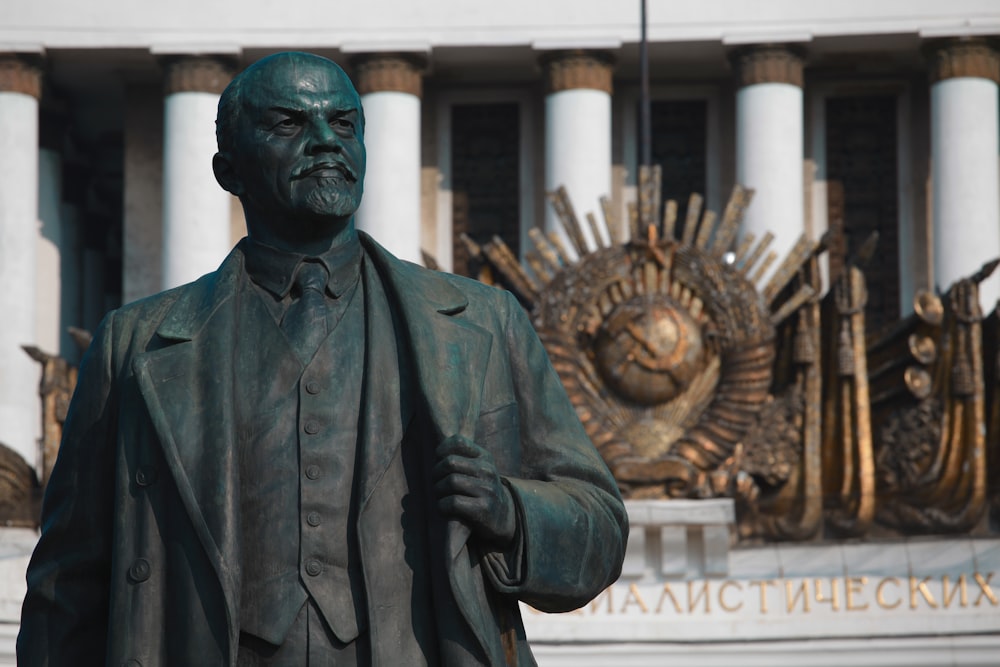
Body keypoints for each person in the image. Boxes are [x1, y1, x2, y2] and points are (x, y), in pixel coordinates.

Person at [17, 51, 627, 666]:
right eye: (288, 124)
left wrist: (510, 511)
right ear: (229, 170)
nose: (324, 142)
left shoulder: (482, 324)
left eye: (343, 124)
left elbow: (599, 528)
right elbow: (66, 585)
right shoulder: (134, 344)